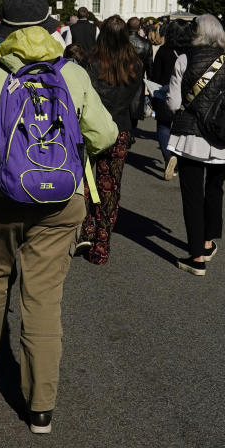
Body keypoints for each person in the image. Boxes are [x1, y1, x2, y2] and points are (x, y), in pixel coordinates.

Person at [0, 0, 117, 434]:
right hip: (62, 199)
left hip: (0, 195)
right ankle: (41, 405)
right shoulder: (72, 72)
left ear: (2, 25)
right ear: (48, 24)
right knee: (43, 298)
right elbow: (105, 135)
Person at [165, 14, 225, 276]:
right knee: (215, 189)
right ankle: (207, 241)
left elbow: (172, 102)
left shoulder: (185, 59)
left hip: (192, 136)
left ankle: (197, 256)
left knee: (192, 195)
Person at [78, 15, 144, 265]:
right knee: (110, 187)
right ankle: (102, 244)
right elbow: (137, 105)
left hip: (92, 129)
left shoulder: (90, 62)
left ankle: (86, 228)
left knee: (84, 183)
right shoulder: (135, 64)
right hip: (120, 129)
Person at [150, 18, 196, 180]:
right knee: (181, 129)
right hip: (187, 95)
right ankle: (180, 156)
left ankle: (168, 156)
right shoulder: (192, 52)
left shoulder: (164, 51)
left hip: (165, 92)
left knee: (163, 126)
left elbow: (154, 76)